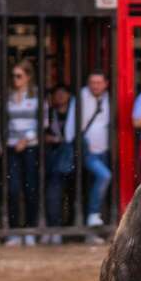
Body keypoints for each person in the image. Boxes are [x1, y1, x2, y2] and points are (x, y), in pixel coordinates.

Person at [66, 70, 112, 231]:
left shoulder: (108, 98)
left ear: (106, 84)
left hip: (104, 149)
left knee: (95, 186)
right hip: (86, 149)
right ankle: (92, 214)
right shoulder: (81, 97)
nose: (95, 86)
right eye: (92, 83)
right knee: (104, 176)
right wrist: (74, 145)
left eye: (99, 83)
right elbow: (71, 124)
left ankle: (92, 229)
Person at [5, 60, 40, 246]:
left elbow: (42, 121)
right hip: (11, 146)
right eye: (13, 76)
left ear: (28, 77)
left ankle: (30, 230)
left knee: (30, 188)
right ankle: (14, 232)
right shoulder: (8, 97)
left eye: (19, 76)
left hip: (30, 147)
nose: (15, 79)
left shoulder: (36, 97)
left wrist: (26, 139)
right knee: (13, 189)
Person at [43, 83, 73, 236]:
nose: (60, 96)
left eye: (63, 93)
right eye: (57, 93)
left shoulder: (75, 112)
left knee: (74, 194)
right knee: (53, 192)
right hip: (53, 159)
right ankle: (54, 228)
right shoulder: (47, 113)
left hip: (74, 159)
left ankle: (71, 227)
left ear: (69, 96)